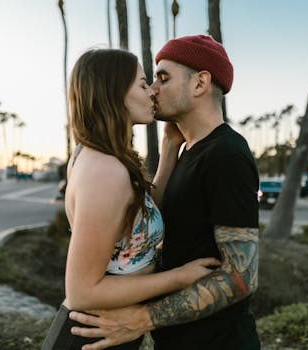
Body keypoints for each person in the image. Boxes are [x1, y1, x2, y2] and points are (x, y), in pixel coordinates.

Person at [69, 35, 261, 350]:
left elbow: (242, 277)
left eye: (162, 78)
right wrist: (170, 149)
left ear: (200, 84)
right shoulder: (189, 151)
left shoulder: (226, 154)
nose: (153, 89)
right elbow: (145, 217)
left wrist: (143, 319)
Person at [41, 48, 221, 350]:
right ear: (114, 93)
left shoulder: (98, 156)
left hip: (104, 333)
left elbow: (141, 215)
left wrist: (168, 150)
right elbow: (81, 291)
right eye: (142, 84)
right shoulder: (104, 172)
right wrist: (179, 278)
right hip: (91, 335)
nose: (153, 91)